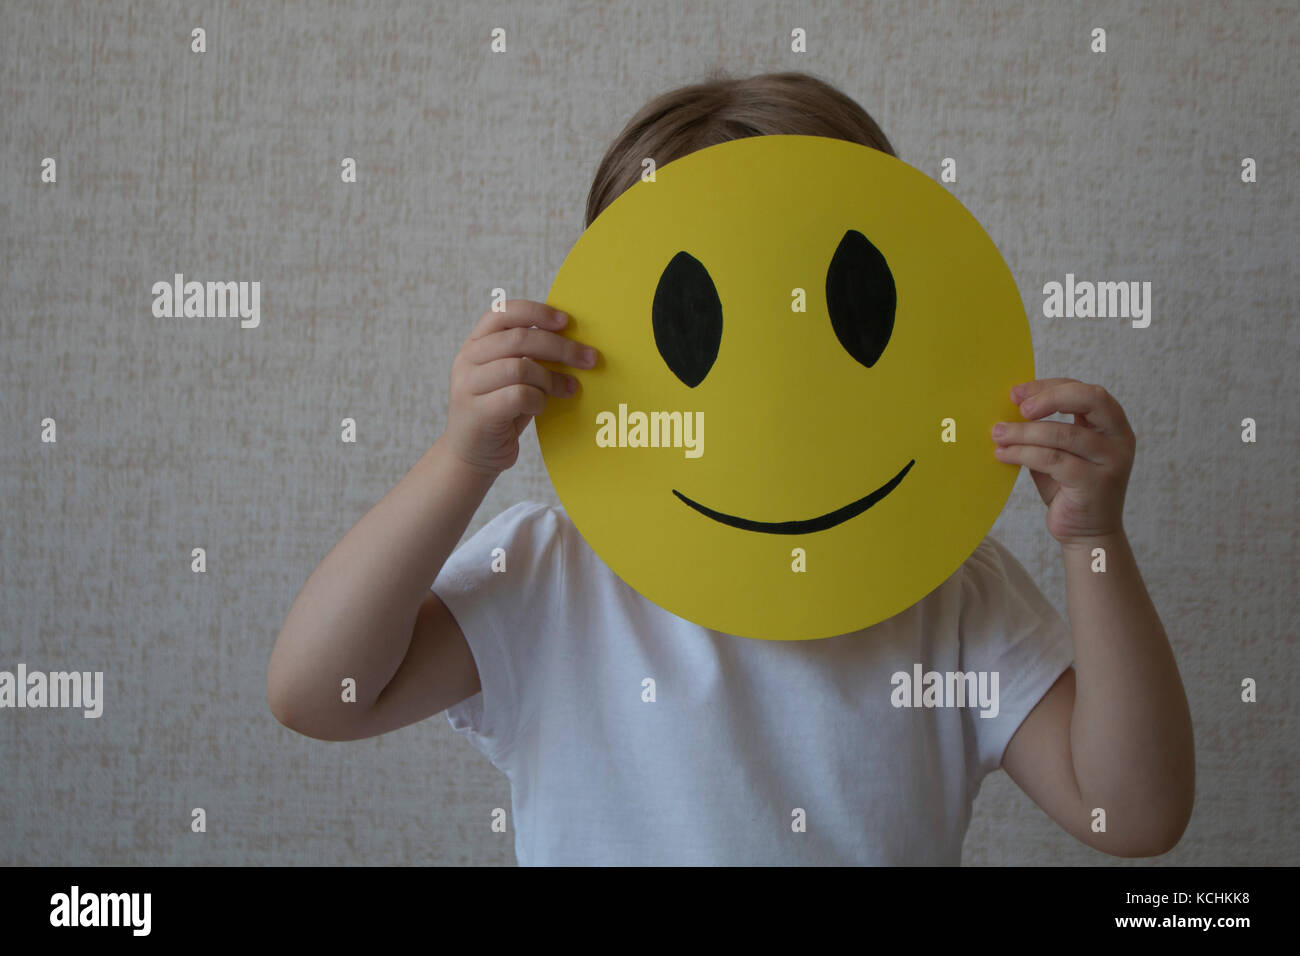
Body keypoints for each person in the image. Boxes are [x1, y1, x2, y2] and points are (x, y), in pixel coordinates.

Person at [267, 71, 1194, 865]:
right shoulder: (553, 573)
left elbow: (1133, 813)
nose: (775, 394)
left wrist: (1094, 541)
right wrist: (461, 459)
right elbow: (321, 693)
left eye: (850, 316)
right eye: (695, 329)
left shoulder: (954, 591)